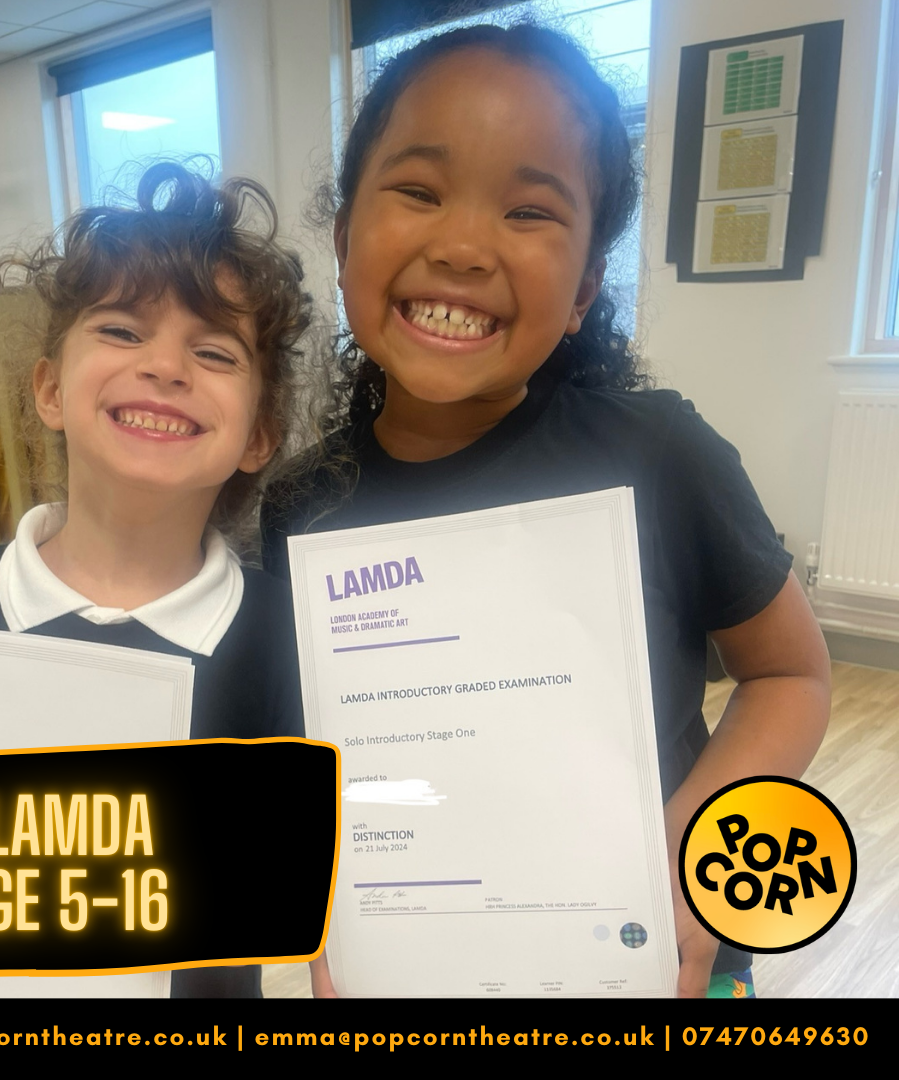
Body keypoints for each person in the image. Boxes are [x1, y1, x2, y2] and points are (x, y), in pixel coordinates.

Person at [261, 23, 831, 999]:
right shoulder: (300, 506)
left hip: (647, 962)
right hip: (413, 971)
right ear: (345, 227)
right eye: (419, 191)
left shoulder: (658, 455)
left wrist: (691, 866)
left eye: (529, 210)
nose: (464, 246)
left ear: (582, 292)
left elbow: (791, 675)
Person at [0, 160, 315, 997]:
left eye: (214, 349)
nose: (165, 366)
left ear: (259, 435)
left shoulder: (299, 647)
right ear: (50, 388)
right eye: (122, 331)